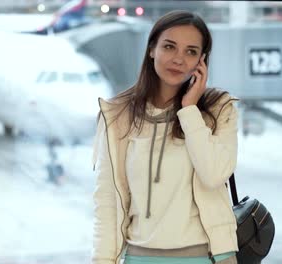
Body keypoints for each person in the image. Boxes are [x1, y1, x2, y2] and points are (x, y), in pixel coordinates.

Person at [91, 10, 240, 264]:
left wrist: (190, 109)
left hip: (208, 255)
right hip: (139, 255)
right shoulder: (119, 115)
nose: (179, 59)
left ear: (201, 62)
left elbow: (214, 174)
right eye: (169, 47)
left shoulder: (218, 108)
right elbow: (107, 201)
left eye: (191, 52)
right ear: (152, 50)